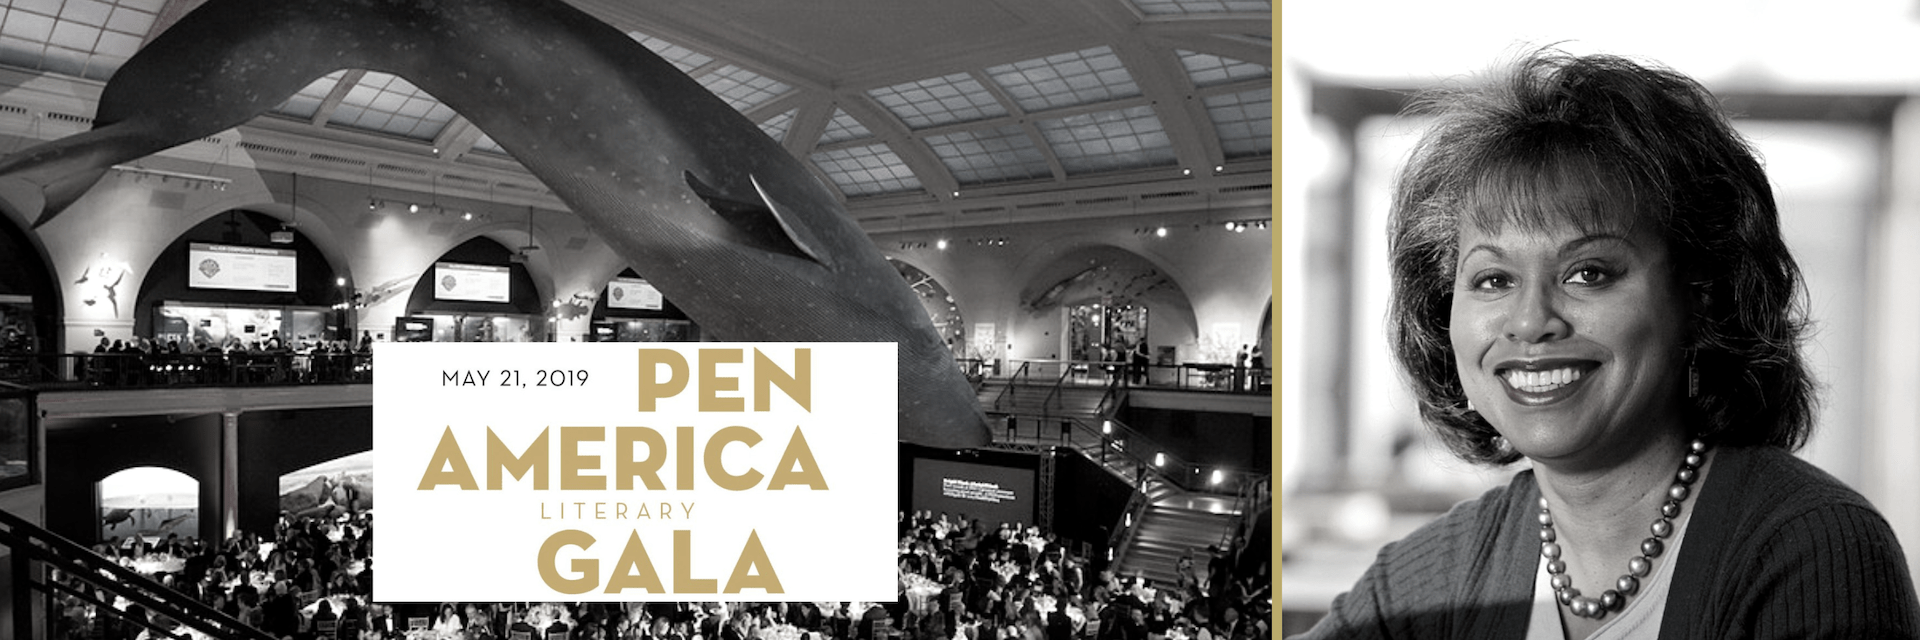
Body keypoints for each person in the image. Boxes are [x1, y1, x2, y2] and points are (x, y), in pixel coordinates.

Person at [1294, 49, 1920, 637]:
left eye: (1588, 272)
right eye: (1493, 279)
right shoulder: (1426, 579)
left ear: (1700, 295)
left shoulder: (1814, 550)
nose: (1530, 321)